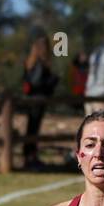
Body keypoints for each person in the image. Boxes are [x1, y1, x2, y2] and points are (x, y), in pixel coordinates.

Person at [22, 31, 59, 170]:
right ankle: (30, 158)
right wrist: (52, 81)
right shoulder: (39, 63)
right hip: (37, 99)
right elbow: (37, 83)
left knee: (31, 129)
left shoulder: (30, 62)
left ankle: (30, 156)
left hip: (32, 99)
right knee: (33, 129)